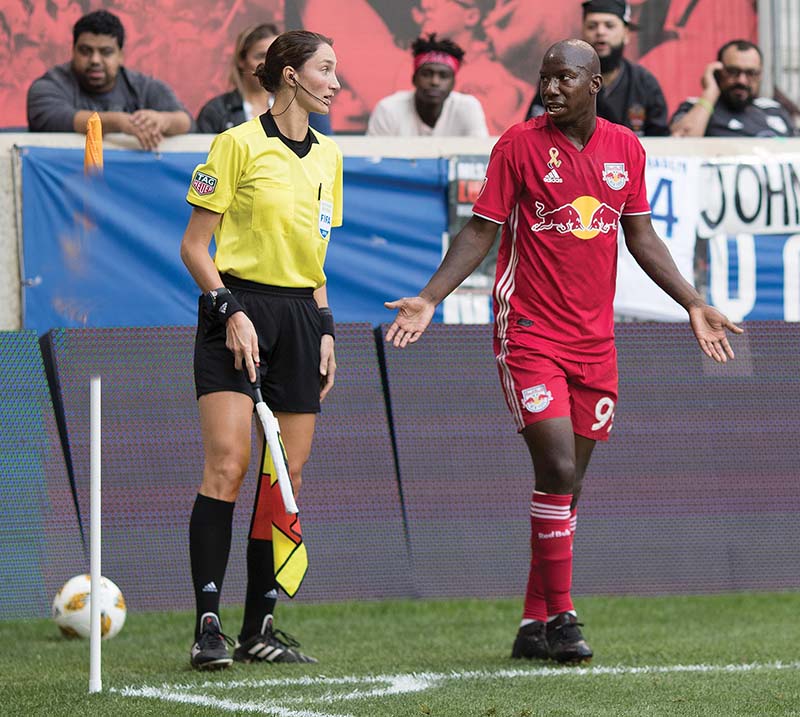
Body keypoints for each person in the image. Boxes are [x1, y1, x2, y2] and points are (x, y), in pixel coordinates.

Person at [385, 39, 742, 663]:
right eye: (545, 78)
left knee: (566, 488)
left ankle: (531, 625)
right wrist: (429, 296)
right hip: (527, 330)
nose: (550, 89)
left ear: (595, 82)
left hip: (595, 340)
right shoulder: (517, 146)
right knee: (555, 468)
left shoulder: (625, 148)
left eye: (564, 79)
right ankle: (565, 617)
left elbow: (641, 235)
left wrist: (693, 301)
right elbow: (480, 230)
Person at [180, 29, 342, 670]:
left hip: (302, 316)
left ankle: (260, 628)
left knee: (286, 476)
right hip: (236, 310)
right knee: (229, 463)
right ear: (290, 75)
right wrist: (231, 312)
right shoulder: (236, 143)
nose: (336, 81)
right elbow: (195, 246)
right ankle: (208, 627)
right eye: (327, 69)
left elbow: (317, 257)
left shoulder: (330, 155)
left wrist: (326, 327)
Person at [26, 9, 192, 150]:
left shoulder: (143, 87)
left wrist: (162, 121)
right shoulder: (48, 86)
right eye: (85, 51)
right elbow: (56, 120)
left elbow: (185, 121)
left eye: (106, 52)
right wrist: (120, 122)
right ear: (73, 51)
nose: (95, 60)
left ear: (121, 56)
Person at [525, 1, 668, 136]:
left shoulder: (644, 83)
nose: (600, 32)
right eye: (592, 26)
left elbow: (660, 144)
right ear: (582, 32)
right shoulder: (557, 79)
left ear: (626, 33)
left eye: (609, 25)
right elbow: (535, 132)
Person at [196, 22, 332, 135]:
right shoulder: (216, 111)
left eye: (276, 57)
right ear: (241, 60)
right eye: (261, 56)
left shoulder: (309, 107)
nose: (268, 63)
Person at [367, 33, 488, 137]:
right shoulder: (388, 109)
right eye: (426, 74)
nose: (435, 82)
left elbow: (479, 159)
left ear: (453, 83)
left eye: (443, 75)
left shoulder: (468, 108)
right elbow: (371, 159)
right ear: (414, 79)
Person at [670, 39, 796, 138]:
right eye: (733, 72)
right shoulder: (697, 107)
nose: (742, 80)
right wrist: (709, 92)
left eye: (751, 73)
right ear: (718, 72)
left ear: (760, 75)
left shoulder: (773, 109)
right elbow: (681, 141)